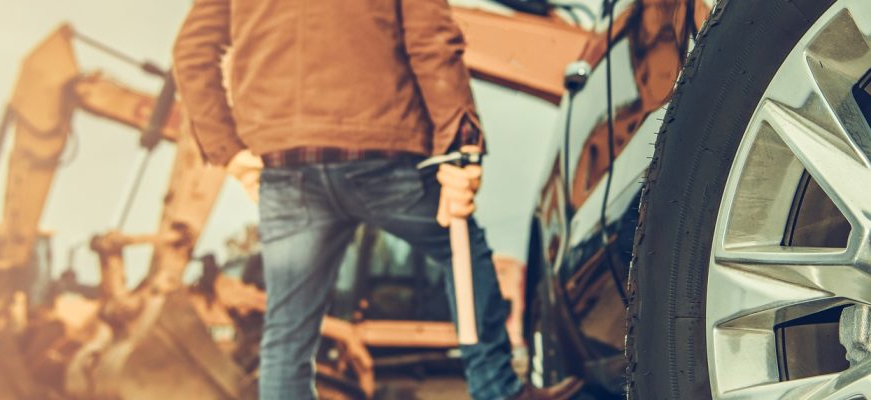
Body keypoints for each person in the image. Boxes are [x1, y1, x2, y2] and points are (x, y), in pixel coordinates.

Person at [171, 0, 582, 399]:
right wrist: (461, 146)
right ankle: (498, 390)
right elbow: (431, 40)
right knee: (462, 253)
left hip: (288, 168)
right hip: (382, 156)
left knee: (287, 331)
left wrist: (230, 153)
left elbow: (191, 51)